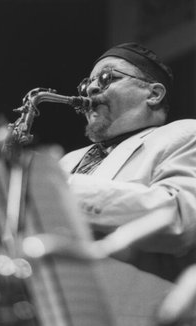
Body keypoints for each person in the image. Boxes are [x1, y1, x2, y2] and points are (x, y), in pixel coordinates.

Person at [60, 43, 196, 326]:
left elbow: (180, 218)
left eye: (107, 78)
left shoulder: (184, 134)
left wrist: (62, 193)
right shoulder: (67, 161)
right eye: (87, 82)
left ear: (154, 94)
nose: (90, 90)